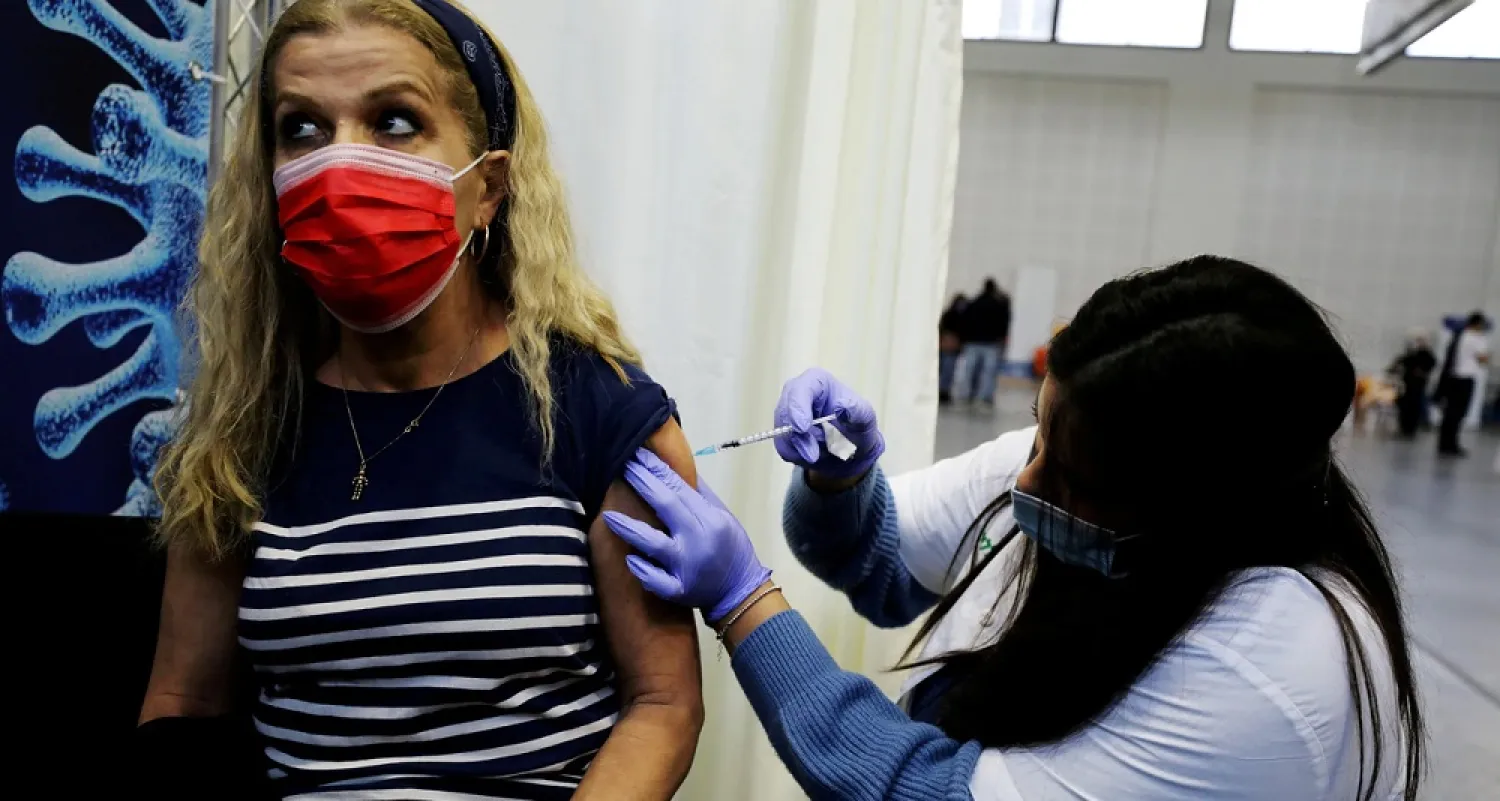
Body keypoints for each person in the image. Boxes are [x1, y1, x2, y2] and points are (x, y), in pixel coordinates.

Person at [137, 2, 703, 798]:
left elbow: (664, 702)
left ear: (488, 188)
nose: (339, 167)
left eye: (395, 121)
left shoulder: (597, 411)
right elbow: (182, 706)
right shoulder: (245, 427)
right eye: (302, 128)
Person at [603, 256, 1425, 801]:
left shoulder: (1272, 670)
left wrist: (746, 602)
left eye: (1063, 472)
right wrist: (840, 480)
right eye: (1037, 432)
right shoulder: (1077, 466)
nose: (1022, 480)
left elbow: (920, 790)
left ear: (1188, 511)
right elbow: (885, 564)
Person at [1434, 311, 1491, 457]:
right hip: (1465, 379)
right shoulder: (1476, 338)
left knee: (1449, 413)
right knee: (1458, 413)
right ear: (1478, 324)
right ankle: (1451, 444)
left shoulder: (1460, 336)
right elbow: (1483, 359)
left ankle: (1444, 444)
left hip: (1452, 378)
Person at [954, 279, 1011, 409]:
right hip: (990, 343)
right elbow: (1003, 323)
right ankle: (985, 397)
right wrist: (1002, 339)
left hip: (972, 341)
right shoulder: (999, 305)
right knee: (988, 373)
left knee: (969, 371)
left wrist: (964, 339)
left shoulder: (974, 303)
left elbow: (965, 321)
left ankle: (966, 395)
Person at [1389, 329, 1436, 438]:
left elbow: (1429, 366)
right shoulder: (1410, 354)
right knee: (1404, 406)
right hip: (1406, 385)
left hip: (1417, 386)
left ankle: (1410, 430)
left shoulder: (1427, 355)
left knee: (1414, 408)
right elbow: (1400, 363)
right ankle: (1403, 428)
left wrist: (1422, 372)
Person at [938, 293, 968, 405]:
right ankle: (944, 391)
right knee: (947, 371)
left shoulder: (949, 314)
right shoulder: (960, 317)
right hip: (950, 347)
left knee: (945, 371)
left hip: (946, 346)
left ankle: (943, 391)